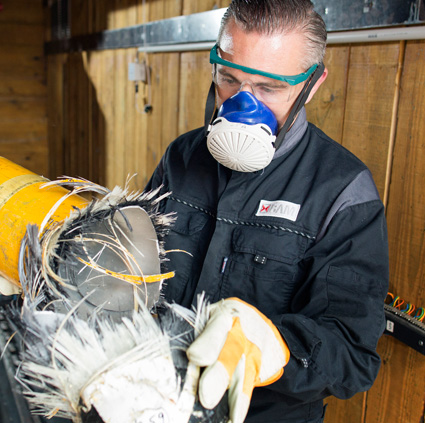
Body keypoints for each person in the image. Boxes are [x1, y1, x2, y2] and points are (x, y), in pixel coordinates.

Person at [145, 1, 389, 422]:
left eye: (269, 88)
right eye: (230, 79)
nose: (243, 105)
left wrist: (271, 348)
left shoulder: (342, 192)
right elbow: (138, 267)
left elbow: (350, 354)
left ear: (312, 85)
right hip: (154, 400)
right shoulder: (182, 158)